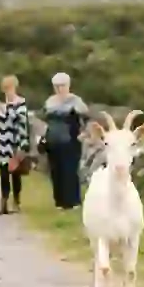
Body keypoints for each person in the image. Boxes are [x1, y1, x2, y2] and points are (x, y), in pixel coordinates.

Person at [41, 72, 88, 211]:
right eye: (57, 86)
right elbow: (44, 119)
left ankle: (73, 201)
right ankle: (60, 201)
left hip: (70, 140)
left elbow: (86, 118)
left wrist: (84, 133)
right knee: (56, 170)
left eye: (62, 85)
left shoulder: (76, 101)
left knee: (70, 170)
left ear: (68, 85)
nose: (59, 88)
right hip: (53, 140)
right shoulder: (50, 102)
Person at [0, 75, 30, 215]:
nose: (8, 91)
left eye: (10, 88)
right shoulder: (3, 104)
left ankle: (16, 202)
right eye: (5, 89)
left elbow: (21, 123)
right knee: (3, 173)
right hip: (2, 143)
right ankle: (4, 202)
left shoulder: (21, 104)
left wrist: (22, 146)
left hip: (15, 142)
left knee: (15, 173)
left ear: (15, 87)